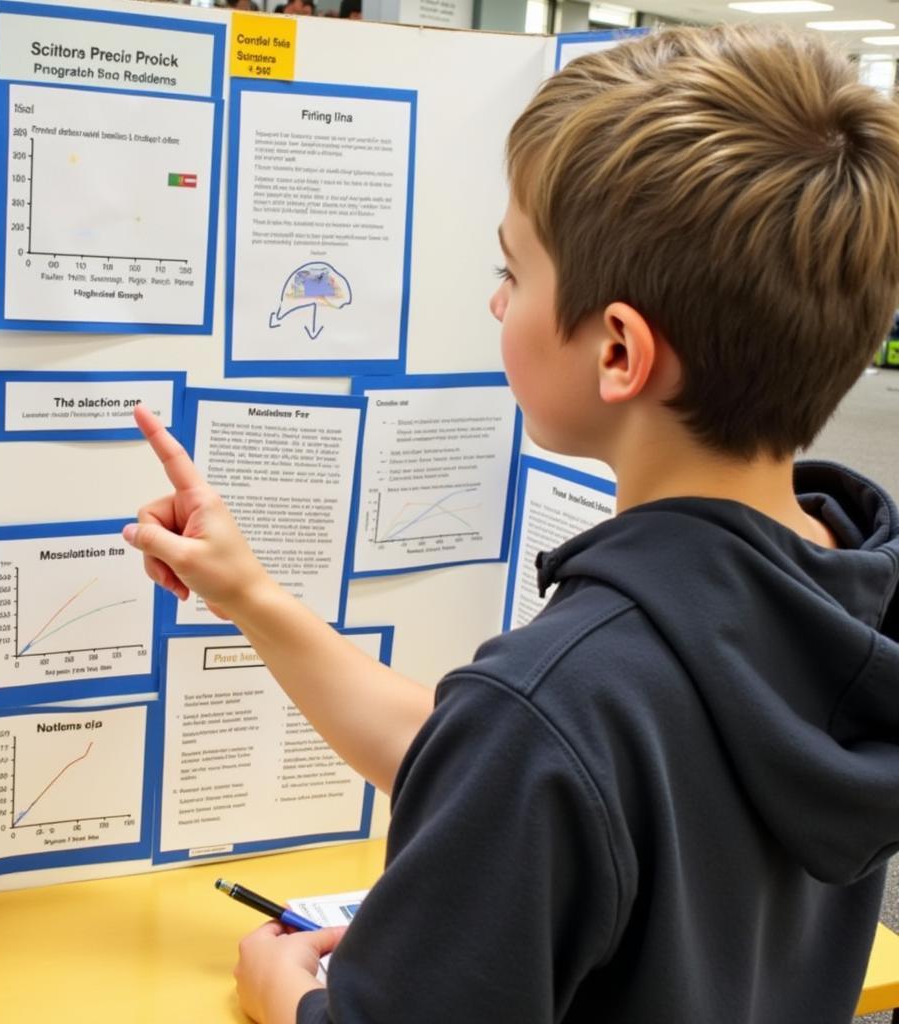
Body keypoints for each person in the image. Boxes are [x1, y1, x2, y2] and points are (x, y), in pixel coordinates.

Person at [123, 24, 899, 1024]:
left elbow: (525, 751)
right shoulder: (839, 600)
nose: (497, 301)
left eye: (513, 271)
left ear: (617, 350)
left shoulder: (558, 704)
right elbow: (507, 761)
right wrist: (250, 596)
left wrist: (289, 1001)